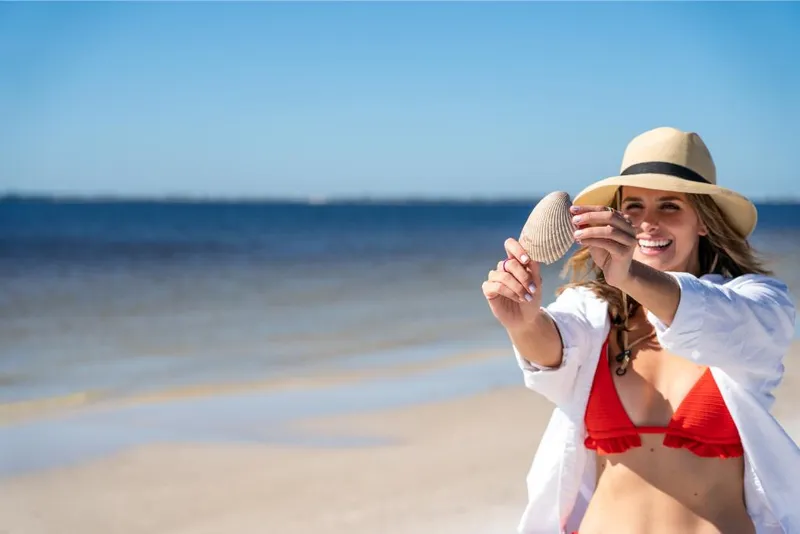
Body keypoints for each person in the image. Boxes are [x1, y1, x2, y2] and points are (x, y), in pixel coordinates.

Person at [482, 126, 799, 534]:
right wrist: (523, 321)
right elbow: (554, 352)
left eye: (669, 207)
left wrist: (629, 275)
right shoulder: (594, 311)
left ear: (703, 222)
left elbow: (728, 320)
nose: (648, 224)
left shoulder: (755, 302)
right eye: (633, 207)